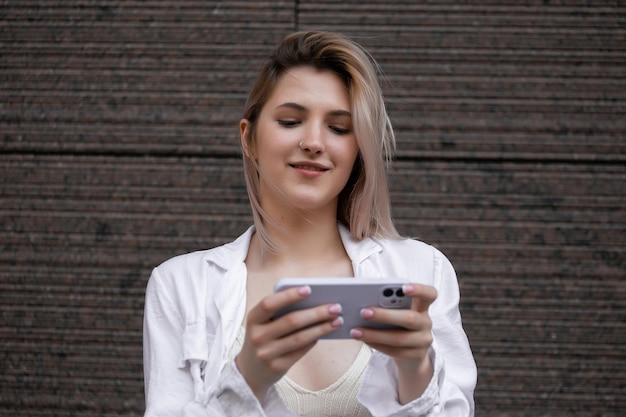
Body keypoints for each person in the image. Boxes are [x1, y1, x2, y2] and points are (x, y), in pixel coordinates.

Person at [143, 31, 476, 417]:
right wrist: (246, 378)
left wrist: (415, 369)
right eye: (290, 120)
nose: (314, 141)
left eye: (339, 128)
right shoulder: (180, 286)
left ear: (358, 151)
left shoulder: (422, 271)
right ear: (248, 138)